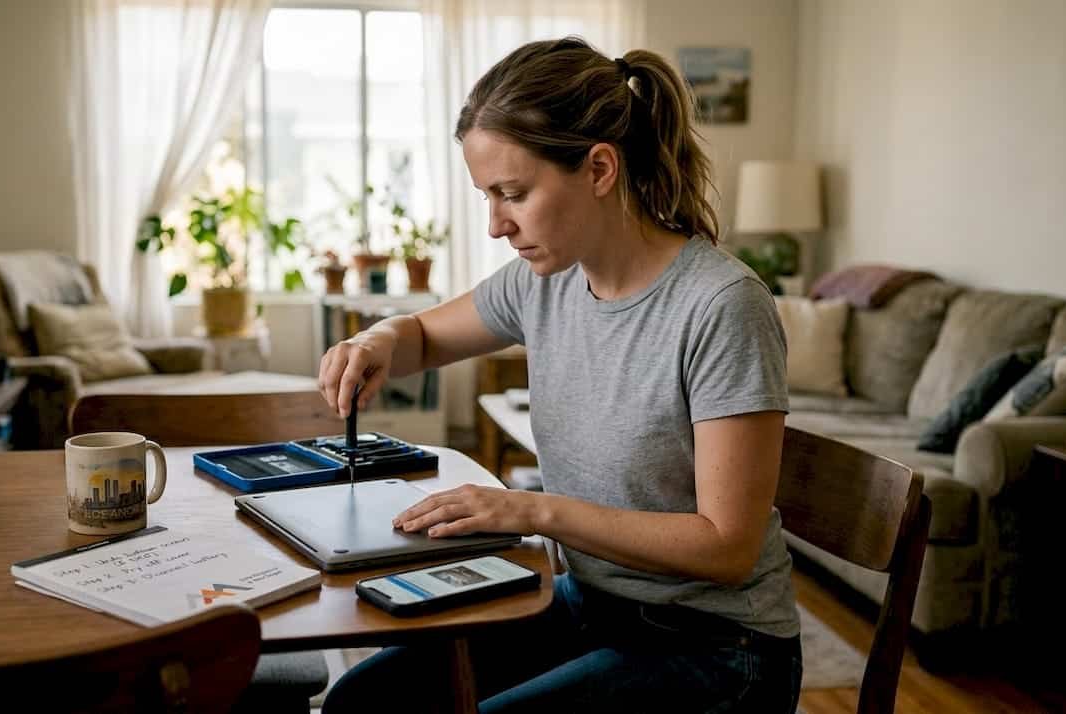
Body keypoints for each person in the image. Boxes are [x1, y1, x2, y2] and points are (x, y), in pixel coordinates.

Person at [317, 36, 801, 714]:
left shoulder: (721, 305)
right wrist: (374, 338)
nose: (496, 225)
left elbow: (726, 547)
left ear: (600, 169)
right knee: (360, 703)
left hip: (720, 646)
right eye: (488, 196)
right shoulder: (545, 281)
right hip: (594, 605)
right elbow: (422, 337)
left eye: (512, 193)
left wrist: (530, 509)